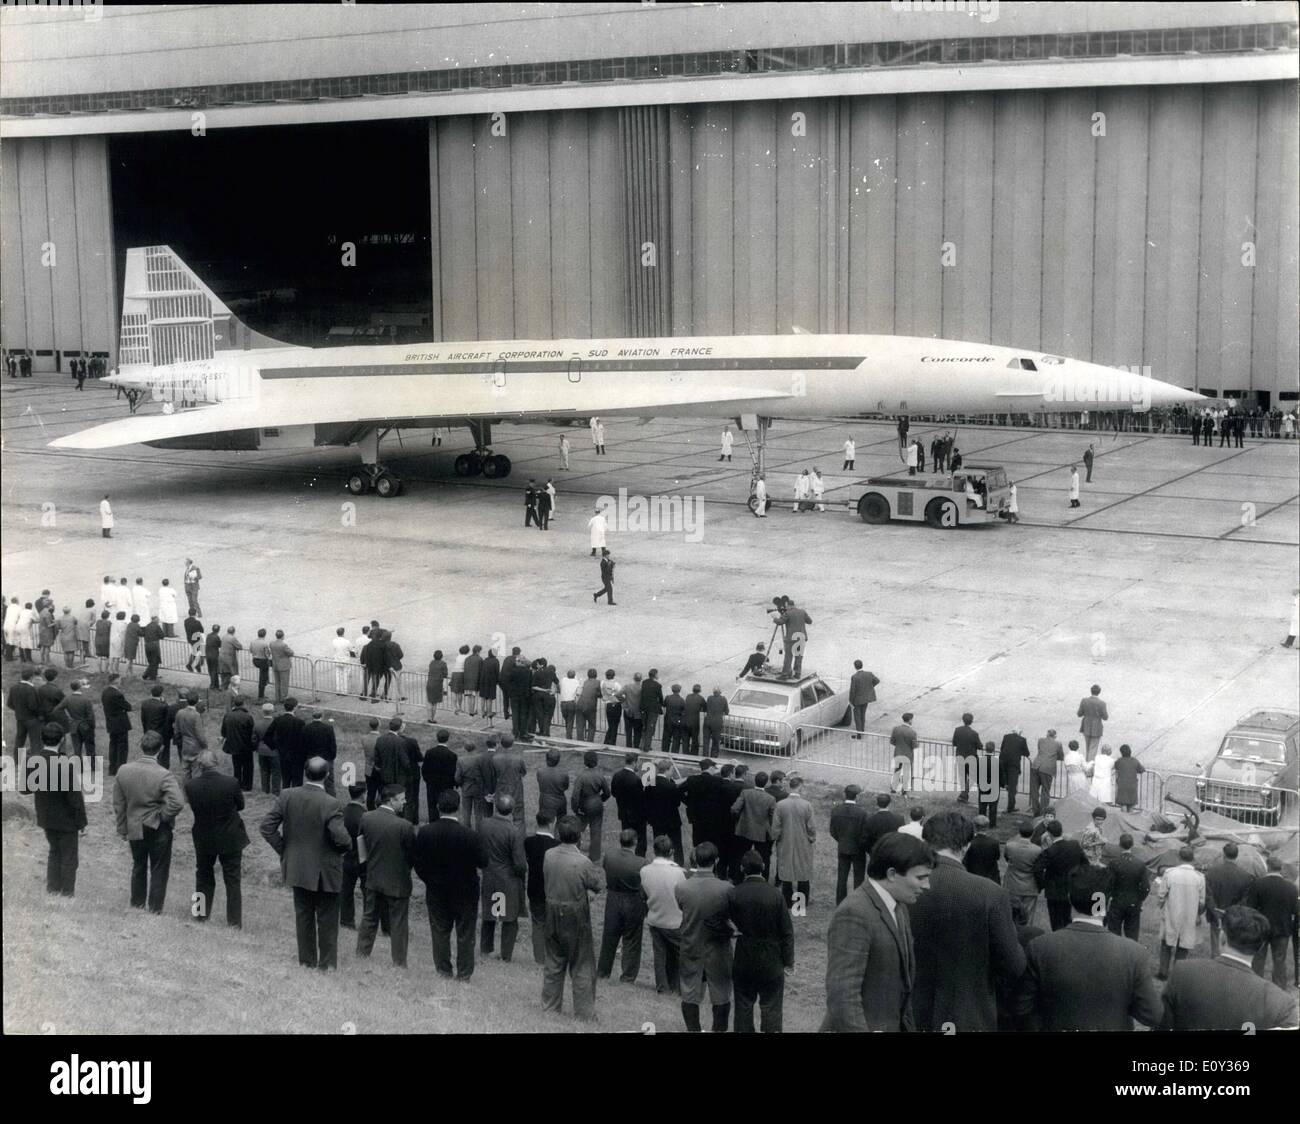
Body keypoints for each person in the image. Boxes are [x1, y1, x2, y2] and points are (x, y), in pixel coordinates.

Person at [910, 810, 1025, 1032]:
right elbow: (1014, 965)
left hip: (911, 1011)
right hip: (968, 1013)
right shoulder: (991, 893)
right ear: (966, 846)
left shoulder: (904, 885)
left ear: (926, 842)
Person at [1017, 865, 1162, 1031]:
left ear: (1070, 898)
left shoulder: (1039, 947)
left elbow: (1021, 1006)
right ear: (1106, 901)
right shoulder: (1134, 953)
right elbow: (1152, 1014)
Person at [822, 832, 934, 1032]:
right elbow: (843, 996)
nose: (927, 886)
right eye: (920, 878)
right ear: (892, 874)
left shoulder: (899, 906)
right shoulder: (854, 913)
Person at [259, 757, 352, 971]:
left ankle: (306, 962)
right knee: (327, 920)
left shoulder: (287, 795)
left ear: (304, 773)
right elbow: (342, 838)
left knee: (304, 916)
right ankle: (326, 965)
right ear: (327, 775)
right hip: (325, 870)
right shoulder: (331, 803)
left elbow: (267, 828)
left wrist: (286, 850)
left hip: (297, 867)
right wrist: (344, 850)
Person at [1160, 905, 1299, 1031]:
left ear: (1222, 938)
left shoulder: (1183, 972)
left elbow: (1162, 1024)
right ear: (1261, 947)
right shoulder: (1280, 1003)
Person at [413, 790, 484, 980]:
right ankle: (464, 973)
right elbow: (483, 861)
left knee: (439, 930)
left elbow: (417, 862)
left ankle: (443, 970)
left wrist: (429, 879)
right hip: (465, 890)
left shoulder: (426, 832)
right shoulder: (470, 835)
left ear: (438, 807)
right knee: (466, 932)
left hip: (437, 889)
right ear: (459, 807)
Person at [541, 815, 604, 1021]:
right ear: (580, 836)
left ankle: (550, 1007)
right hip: (574, 913)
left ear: (558, 834)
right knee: (582, 963)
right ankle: (585, 1013)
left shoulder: (549, 855)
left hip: (551, 908)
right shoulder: (583, 862)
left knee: (553, 961)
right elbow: (596, 884)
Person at [113, 731, 184, 913]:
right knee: (159, 868)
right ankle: (154, 909)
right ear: (160, 749)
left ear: (140, 746)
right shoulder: (164, 774)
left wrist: (122, 828)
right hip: (158, 827)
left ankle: (137, 905)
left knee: (138, 866)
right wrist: (162, 816)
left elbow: (119, 804)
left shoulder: (123, 770)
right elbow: (177, 802)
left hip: (134, 825)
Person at [727, 848, 794, 1033]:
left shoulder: (735, 893)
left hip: (744, 957)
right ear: (764, 867)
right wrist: (789, 962)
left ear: (742, 869)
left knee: (743, 1007)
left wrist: (731, 931)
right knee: (772, 1008)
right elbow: (787, 932)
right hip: (772, 960)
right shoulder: (776, 895)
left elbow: (720, 920)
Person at [185, 749, 249, 927]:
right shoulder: (231, 783)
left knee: (203, 876)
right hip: (230, 836)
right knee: (233, 880)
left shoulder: (191, 786)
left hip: (204, 836)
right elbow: (241, 805)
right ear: (217, 762)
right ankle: (234, 922)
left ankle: (200, 915)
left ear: (199, 765)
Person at [675, 842, 735, 1033]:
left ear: (694, 860)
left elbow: (681, 909)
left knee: (689, 992)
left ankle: (693, 1029)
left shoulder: (682, 887)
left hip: (691, 944)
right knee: (722, 994)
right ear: (716, 861)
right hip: (718, 949)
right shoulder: (726, 888)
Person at [356, 785, 416, 967]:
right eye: (402, 798)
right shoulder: (404, 826)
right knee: (398, 923)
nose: (405, 801)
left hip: (373, 877)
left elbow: (361, 847)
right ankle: (399, 962)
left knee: (369, 917)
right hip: (397, 881)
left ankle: (362, 953)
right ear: (391, 800)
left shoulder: (366, 817)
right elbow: (412, 855)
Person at [32, 723, 88, 896]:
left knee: (54, 852)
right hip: (66, 819)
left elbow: (25, 788)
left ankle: (53, 888)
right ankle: (67, 892)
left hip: (45, 816)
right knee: (69, 858)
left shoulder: (34, 760)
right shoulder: (65, 764)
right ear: (62, 739)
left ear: (42, 739)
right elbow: (74, 799)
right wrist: (82, 822)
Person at [478, 794, 527, 962]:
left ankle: (485, 947)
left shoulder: (484, 824)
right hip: (508, 878)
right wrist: (521, 874)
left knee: (489, 914)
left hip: (489, 875)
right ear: (512, 810)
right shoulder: (513, 831)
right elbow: (520, 862)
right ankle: (506, 954)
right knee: (509, 918)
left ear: (497, 807)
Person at [598, 828, 650, 983]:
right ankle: (628, 976)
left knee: (609, 937)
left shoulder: (609, 857)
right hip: (633, 900)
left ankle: (602, 971)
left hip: (613, 898)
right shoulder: (641, 863)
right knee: (632, 940)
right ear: (635, 842)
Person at [1245, 855, 1299, 988]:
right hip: (1283, 928)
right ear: (1281, 869)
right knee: (1280, 960)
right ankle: (1279, 987)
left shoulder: (1257, 884)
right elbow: (1295, 910)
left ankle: (1256, 986)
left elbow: (1250, 908)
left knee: (1258, 959)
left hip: (1261, 928)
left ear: (1268, 867)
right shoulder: (1291, 888)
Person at [1154, 846, 1206, 980]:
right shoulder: (1199, 877)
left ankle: (1163, 972)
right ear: (1192, 859)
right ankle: (1177, 973)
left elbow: (1161, 894)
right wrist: (1198, 914)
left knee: (1167, 941)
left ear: (1179, 858)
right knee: (1183, 944)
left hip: (1172, 910)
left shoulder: (1170, 873)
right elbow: (1201, 901)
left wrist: (1161, 905)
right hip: (1189, 913)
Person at [771, 775, 816, 908]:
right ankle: (801, 903)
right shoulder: (807, 805)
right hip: (803, 842)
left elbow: (776, 827)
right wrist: (811, 838)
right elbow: (812, 826)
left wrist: (777, 838)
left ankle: (787, 901)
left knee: (787, 870)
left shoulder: (780, 804)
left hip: (785, 841)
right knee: (802, 871)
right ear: (800, 787)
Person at [1104, 832, 1150, 941]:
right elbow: (1145, 887)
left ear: (1119, 844)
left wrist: (1108, 899)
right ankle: (1131, 956)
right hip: (1133, 903)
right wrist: (1140, 899)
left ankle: (1115, 956)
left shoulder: (1113, 863)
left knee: (1114, 933)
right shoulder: (1140, 864)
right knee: (1132, 934)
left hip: (1117, 901)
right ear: (1132, 845)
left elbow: (1108, 884)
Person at [829, 785, 869, 905]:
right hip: (858, 849)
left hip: (843, 847)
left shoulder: (836, 810)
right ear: (856, 796)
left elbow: (833, 831)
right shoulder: (862, 813)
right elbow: (865, 833)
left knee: (842, 877)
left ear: (845, 794)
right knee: (859, 878)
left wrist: (841, 840)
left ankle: (840, 902)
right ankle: (857, 903)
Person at [645, 757, 685, 866]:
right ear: (666, 770)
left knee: (658, 843)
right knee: (676, 844)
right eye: (671, 770)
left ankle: (658, 863)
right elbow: (677, 803)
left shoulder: (651, 783)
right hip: (672, 820)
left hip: (657, 819)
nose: (672, 773)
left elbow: (647, 801)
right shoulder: (671, 786)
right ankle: (679, 864)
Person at [571, 749, 610, 861]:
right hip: (597, 805)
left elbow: (575, 795)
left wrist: (575, 808)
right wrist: (599, 799)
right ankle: (595, 856)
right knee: (596, 830)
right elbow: (607, 793)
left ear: (585, 762)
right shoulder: (600, 775)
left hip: (584, 805)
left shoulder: (581, 776)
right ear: (596, 762)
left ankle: (575, 851)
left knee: (578, 829)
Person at [1002, 823, 1042, 926]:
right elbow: (1038, 868)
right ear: (1032, 834)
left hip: (1012, 883)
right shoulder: (1037, 850)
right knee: (1028, 915)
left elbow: (1006, 858)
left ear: (1019, 833)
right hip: (1030, 885)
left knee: (1010, 914)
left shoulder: (1010, 846)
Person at [610, 751, 647, 856]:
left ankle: (625, 857)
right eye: (638, 762)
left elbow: (613, 793)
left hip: (623, 813)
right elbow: (641, 800)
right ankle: (639, 859)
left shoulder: (617, 776)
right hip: (637, 816)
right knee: (640, 840)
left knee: (626, 838)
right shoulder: (636, 780)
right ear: (634, 762)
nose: (639, 765)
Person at [52, 678, 96, 763]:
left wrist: (68, 717)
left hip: (74, 725)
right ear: (80, 687)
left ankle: (78, 766)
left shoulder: (67, 699)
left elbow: (56, 710)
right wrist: (92, 726)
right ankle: (93, 766)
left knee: (77, 747)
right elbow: (91, 716)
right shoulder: (86, 700)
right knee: (90, 746)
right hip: (85, 725)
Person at [221, 694, 256, 792]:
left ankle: (237, 784)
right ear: (243, 704)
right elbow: (252, 732)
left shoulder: (228, 716)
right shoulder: (248, 717)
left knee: (237, 766)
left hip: (233, 746)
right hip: (246, 746)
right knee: (248, 767)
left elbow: (223, 732)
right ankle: (247, 786)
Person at [100, 673, 133, 776]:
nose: (121, 681)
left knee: (113, 745)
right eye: (120, 680)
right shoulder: (117, 694)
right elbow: (128, 707)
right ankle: (121, 769)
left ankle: (112, 769)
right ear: (116, 681)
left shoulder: (105, 692)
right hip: (120, 724)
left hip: (111, 723)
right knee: (122, 747)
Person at [773, 599, 811, 678]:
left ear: (788, 605)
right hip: (801, 637)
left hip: (792, 638)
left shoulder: (788, 613)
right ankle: (797, 674)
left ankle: (785, 674)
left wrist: (774, 618)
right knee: (799, 656)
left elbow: (780, 622)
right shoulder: (802, 612)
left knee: (788, 656)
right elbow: (810, 621)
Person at [1030, 729, 1062, 815]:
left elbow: (1040, 750)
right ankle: (1043, 812)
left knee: (1034, 791)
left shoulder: (1040, 740)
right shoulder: (1058, 744)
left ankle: (1035, 810)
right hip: (1047, 768)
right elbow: (1061, 756)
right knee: (1045, 791)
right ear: (1055, 736)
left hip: (1036, 766)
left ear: (1047, 735)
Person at [951, 712, 981, 803]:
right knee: (973, 776)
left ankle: (963, 795)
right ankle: (964, 794)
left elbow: (954, 743)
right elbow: (980, 746)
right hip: (971, 758)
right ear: (971, 721)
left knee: (963, 777)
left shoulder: (957, 730)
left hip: (960, 757)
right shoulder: (974, 733)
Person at [998, 727, 1030, 812]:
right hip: (1014, 765)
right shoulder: (1022, 739)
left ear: (1013, 731)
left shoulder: (1006, 737)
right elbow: (1027, 753)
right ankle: (1010, 807)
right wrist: (1019, 751)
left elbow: (1002, 748)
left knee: (1001, 782)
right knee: (1012, 787)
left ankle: (994, 802)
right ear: (1020, 732)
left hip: (1003, 763)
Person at [964, 815, 1002, 883]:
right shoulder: (994, 843)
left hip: (973, 877)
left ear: (974, 826)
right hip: (990, 878)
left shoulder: (969, 842)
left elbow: (965, 861)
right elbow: (997, 857)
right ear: (987, 827)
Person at [1077, 683, 1108, 759]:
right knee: (1093, 749)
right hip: (1097, 728)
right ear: (1099, 692)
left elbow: (1079, 714)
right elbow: (1105, 717)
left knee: (1088, 748)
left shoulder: (1084, 700)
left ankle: (1087, 765)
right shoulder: (1102, 703)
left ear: (1091, 691)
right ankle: (1089, 767)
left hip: (1086, 726)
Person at [848, 661, 879, 734]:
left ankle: (859, 733)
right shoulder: (869, 674)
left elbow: (852, 691)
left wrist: (850, 701)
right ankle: (862, 730)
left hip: (857, 700)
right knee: (863, 714)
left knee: (857, 717)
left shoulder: (854, 677)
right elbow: (877, 681)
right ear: (862, 665)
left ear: (855, 667)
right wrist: (869, 688)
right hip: (866, 699)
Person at [1112, 744, 1145, 812]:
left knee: (1123, 804)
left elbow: (1116, 766)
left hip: (1122, 786)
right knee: (1131, 805)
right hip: (1132, 786)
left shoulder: (1119, 761)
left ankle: (1124, 819)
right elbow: (1142, 770)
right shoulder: (1135, 761)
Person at [268, 630, 294, 704]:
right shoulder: (283, 645)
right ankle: (284, 697)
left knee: (277, 682)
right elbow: (291, 653)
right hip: (284, 666)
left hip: (275, 665)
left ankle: (278, 697)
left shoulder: (271, 644)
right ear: (283, 636)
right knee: (284, 683)